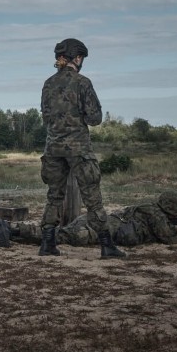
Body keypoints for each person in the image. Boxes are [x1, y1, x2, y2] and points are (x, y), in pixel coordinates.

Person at [37, 38, 124, 259]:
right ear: (77, 58)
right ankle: (106, 246)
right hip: (78, 148)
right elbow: (95, 118)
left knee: (54, 196)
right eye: (81, 57)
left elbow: (46, 117)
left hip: (53, 148)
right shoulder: (82, 82)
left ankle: (47, 243)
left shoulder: (48, 84)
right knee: (93, 197)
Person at [0, 192, 177, 249]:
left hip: (97, 222)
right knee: (60, 237)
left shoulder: (149, 209)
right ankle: (8, 228)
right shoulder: (156, 215)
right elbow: (170, 238)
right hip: (99, 229)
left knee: (58, 236)